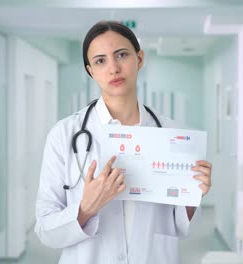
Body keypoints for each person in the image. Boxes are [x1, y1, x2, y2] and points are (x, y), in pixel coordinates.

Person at [34, 20, 212, 264]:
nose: (113, 68)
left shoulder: (171, 134)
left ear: (139, 59)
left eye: (122, 55)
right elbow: (45, 229)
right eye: (100, 61)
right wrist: (86, 208)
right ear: (90, 71)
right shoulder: (64, 135)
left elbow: (180, 227)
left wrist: (193, 195)